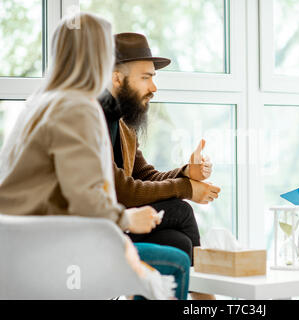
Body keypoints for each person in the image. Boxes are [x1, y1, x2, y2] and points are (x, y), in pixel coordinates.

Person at [0, 12, 189, 300]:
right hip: (52, 253)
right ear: (100, 57)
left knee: (171, 240)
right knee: (176, 262)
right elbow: (86, 197)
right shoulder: (77, 107)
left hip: (16, 252)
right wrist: (126, 218)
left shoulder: (38, 104)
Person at [98, 33, 221, 265]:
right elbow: (122, 191)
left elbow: (145, 175)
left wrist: (186, 173)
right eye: (146, 77)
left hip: (117, 223)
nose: (154, 87)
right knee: (180, 210)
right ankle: (205, 298)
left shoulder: (123, 124)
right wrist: (187, 188)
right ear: (116, 79)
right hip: (95, 225)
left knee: (178, 243)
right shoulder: (91, 120)